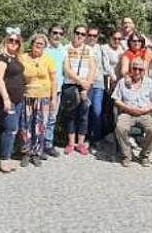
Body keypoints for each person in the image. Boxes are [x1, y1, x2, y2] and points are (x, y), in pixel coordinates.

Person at [112, 58, 152, 167]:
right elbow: (116, 100)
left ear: (144, 70)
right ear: (130, 69)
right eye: (134, 68)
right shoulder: (122, 82)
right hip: (127, 113)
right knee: (120, 128)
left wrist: (145, 109)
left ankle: (144, 155)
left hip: (144, 113)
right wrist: (128, 108)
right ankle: (127, 155)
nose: (137, 71)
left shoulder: (150, 82)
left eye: (140, 69)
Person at [19, 33, 56, 166]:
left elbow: (53, 80)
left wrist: (53, 99)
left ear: (45, 46)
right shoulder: (23, 58)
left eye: (41, 44)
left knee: (40, 126)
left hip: (43, 97)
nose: (38, 45)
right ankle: (26, 152)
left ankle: (36, 153)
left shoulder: (48, 59)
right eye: (37, 43)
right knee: (26, 125)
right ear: (32, 43)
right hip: (27, 96)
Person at [0, 27, 27, 172]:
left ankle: (8, 155)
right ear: (5, 41)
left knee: (14, 128)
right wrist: (6, 99)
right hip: (7, 100)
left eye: (17, 41)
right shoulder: (1, 58)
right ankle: (4, 159)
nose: (14, 43)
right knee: (10, 128)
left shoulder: (15, 58)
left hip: (18, 99)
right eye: (11, 40)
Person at [62, 24, 96, 155]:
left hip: (86, 86)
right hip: (70, 85)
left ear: (86, 36)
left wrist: (86, 85)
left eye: (83, 34)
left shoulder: (89, 49)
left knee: (83, 115)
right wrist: (80, 81)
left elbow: (92, 68)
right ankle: (71, 143)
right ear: (73, 33)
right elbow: (66, 68)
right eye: (77, 33)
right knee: (70, 114)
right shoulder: (66, 48)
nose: (79, 36)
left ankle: (81, 143)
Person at [43, 24, 67, 158]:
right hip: (43, 90)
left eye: (60, 33)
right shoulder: (44, 50)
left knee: (52, 118)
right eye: (55, 33)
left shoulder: (64, 51)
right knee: (41, 118)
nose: (57, 36)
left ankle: (48, 144)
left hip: (57, 91)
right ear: (49, 34)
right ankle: (38, 145)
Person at [86, 26, 111, 146]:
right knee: (85, 111)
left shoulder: (101, 49)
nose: (92, 38)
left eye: (94, 36)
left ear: (97, 37)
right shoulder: (82, 48)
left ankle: (96, 138)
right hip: (85, 83)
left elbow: (106, 66)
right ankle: (85, 137)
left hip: (98, 84)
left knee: (97, 111)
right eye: (90, 35)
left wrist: (113, 77)